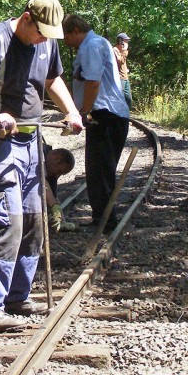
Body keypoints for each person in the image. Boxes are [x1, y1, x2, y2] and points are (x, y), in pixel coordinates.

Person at [0, 0, 83, 332]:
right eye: (39, 33)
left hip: (31, 141)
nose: (43, 40)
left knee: (34, 221)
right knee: (9, 221)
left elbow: (52, 81)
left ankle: (16, 296)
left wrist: (71, 111)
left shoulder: (47, 42)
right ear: (25, 19)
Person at [63, 14, 130, 232]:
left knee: (100, 171)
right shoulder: (96, 43)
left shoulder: (91, 46)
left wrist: (82, 113)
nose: (64, 42)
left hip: (105, 115)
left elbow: (93, 83)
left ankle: (105, 222)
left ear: (74, 31)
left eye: (65, 36)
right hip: (107, 115)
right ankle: (102, 219)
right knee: (98, 171)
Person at [0, 145, 77, 234]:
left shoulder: (50, 171)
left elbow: (52, 195)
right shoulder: (37, 152)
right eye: (59, 171)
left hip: (0, 185)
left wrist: (62, 220)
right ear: (56, 159)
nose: (57, 175)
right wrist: (54, 206)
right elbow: (40, 179)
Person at [113, 32, 132, 109]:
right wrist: (124, 51)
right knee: (121, 98)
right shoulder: (115, 50)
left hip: (125, 77)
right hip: (120, 78)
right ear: (121, 41)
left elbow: (123, 63)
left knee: (128, 99)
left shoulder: (123, 51)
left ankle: (126, 115)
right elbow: (120, 61)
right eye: (126, 40)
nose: (127, 42)